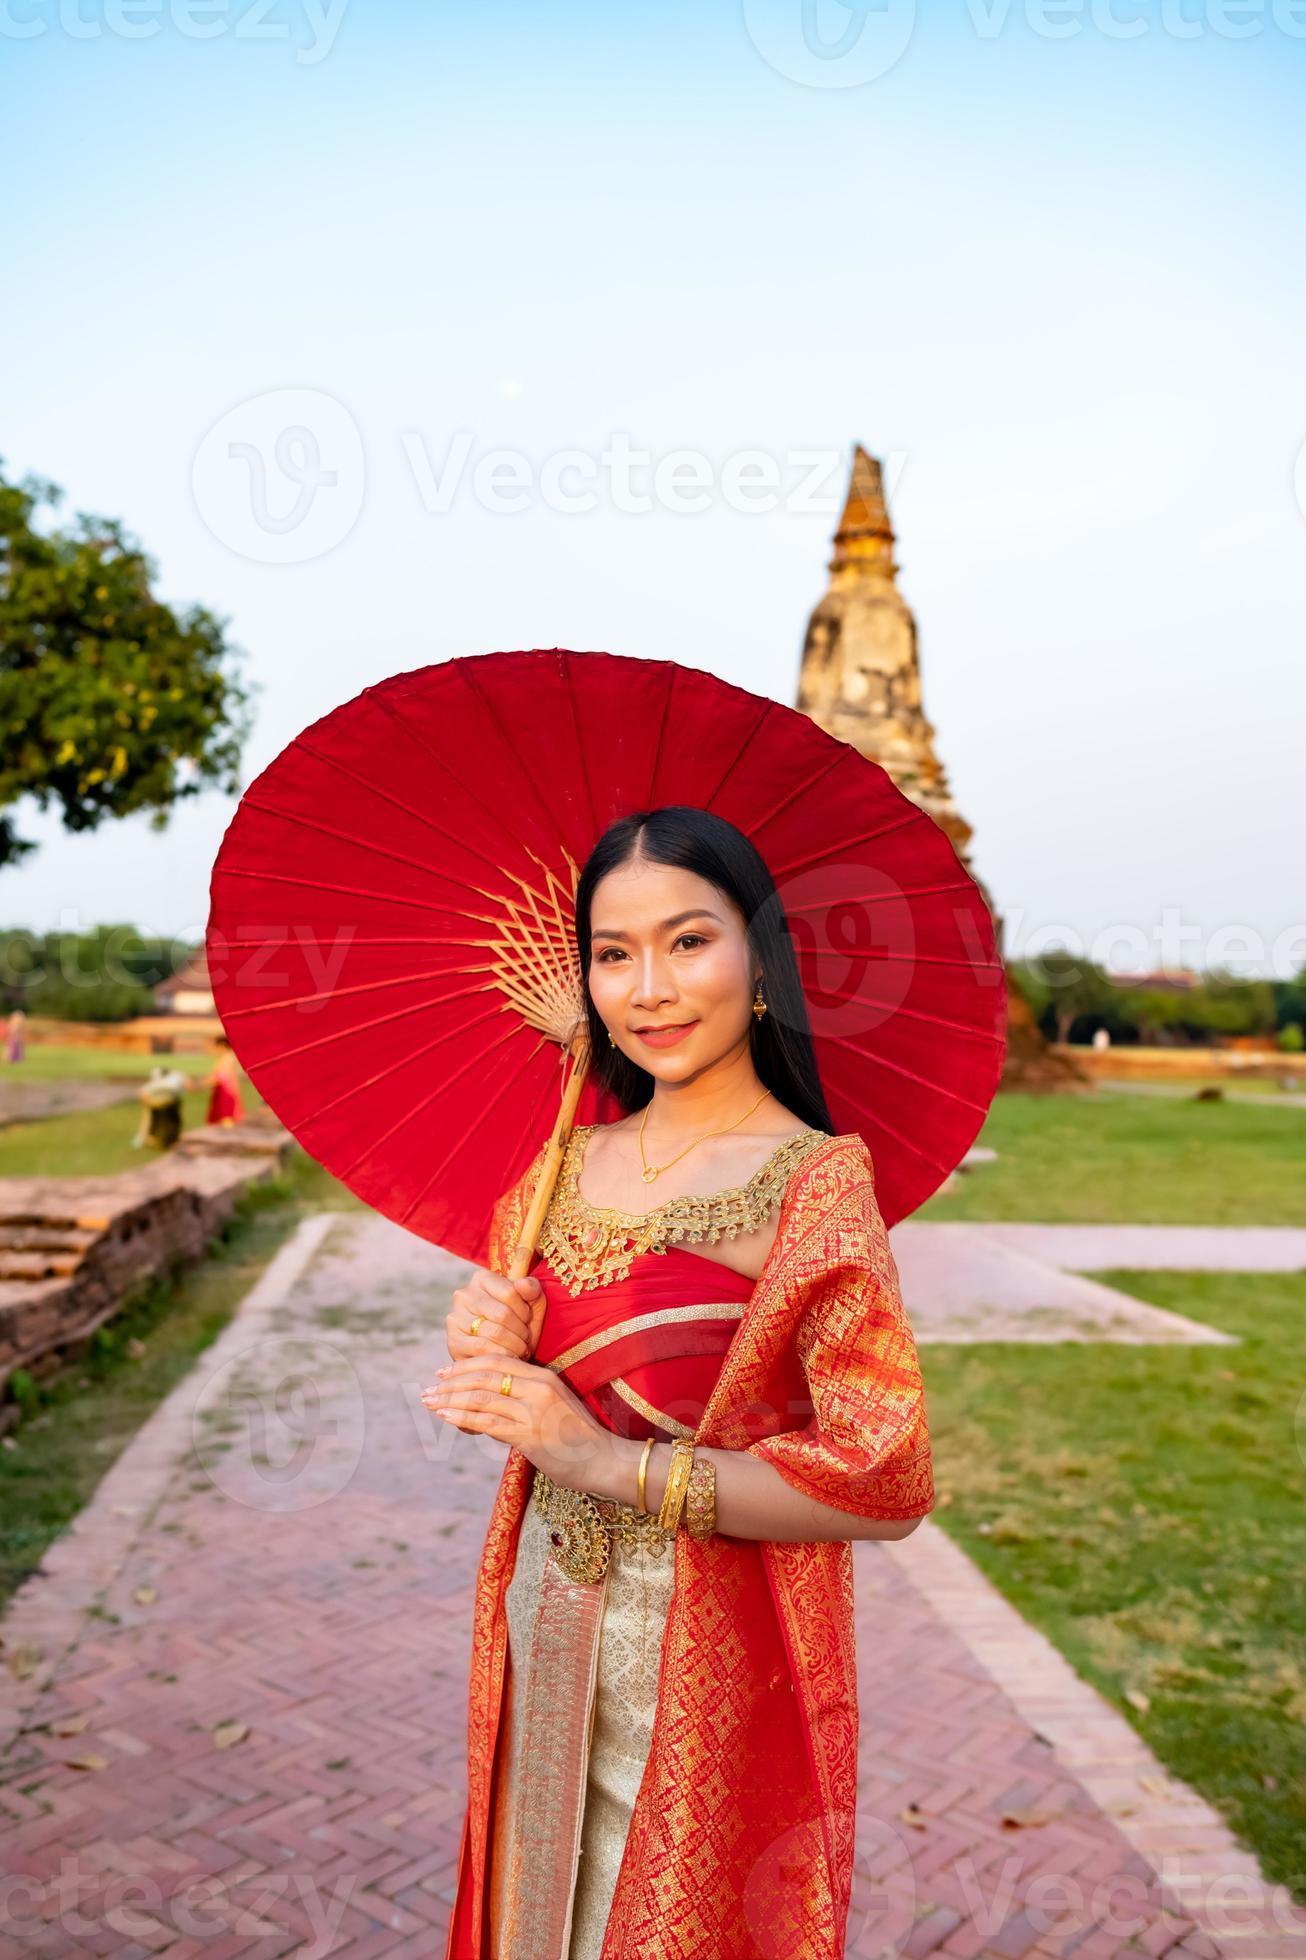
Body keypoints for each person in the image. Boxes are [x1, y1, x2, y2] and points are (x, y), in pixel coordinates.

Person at [426, 807, 935, 1960]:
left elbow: (885, 1479)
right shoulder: (558, 1166)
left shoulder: (810, 1183)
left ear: (758, 956)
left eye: (688, 941)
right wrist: (489, 1351)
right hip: (541, 1623)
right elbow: (533, 1409)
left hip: (701, 1653)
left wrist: (606, 1461)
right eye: (612, 953)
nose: (646, 987)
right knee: (527, 1920)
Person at [132, 1064, 188, 1150]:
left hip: (161, 1101)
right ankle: (168, 1139)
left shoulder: (158, 1082)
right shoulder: (177, 1076)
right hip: (170, 1101)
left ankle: (145, 1137)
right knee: (172, 1119)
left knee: (149, 1118)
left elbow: (142, 1094)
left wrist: (145, 1103)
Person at [205, 1034, 244, 1126]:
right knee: (222, 1118)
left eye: (216, 1046)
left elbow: (224, 1076)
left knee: (226, 1118)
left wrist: (199, 1085)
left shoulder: (228, 1058)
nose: (215, 1049)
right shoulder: (226, 1057)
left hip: (225, 1092)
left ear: (222, 1045)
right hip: (223, 1091)